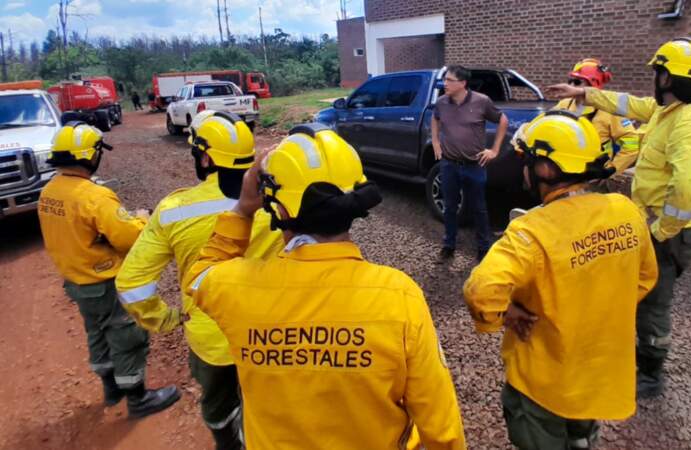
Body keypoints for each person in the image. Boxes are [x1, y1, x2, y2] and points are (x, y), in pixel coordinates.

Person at [185, 124, 466, 450]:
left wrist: (243, 210)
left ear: (279, 209)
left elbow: (199, 275)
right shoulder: (399, 296)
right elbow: (441, 424)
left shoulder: (238, 286)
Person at [463, 110, 658, 450]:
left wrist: (505, 314)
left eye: (527, 160)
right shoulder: (626, 211)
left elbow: (481, 291)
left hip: (544, 381)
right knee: (581, 435)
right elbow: (644, 280)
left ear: (546, 169)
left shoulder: (532, 231)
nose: (521, 169)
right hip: (597, 371)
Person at [546, 37, 691, 397]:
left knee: (653, 302)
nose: (654, 79)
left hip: (672, 230)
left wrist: (659, 231)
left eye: (657, 72)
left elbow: (687, 190)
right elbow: (630, 103)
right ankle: (639, 358)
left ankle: (650, 374)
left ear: (667, 77)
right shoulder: (673, 108)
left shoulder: (687, 123)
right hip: (662, 224)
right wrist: (583, 94)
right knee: (640, 292)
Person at [115, 111, 283, 449]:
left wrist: (166, 319)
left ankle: (226, 442)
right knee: (272, 408)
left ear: (205, 157)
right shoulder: (278, 200)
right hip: (274, 336)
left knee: (219, 406)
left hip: (212, 339)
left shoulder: (174, 210)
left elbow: (131, 284)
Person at [37, 122, 180, 418]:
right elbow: (129, 238)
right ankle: (138, 399)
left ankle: (111, 387)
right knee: (127, 335)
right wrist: (141, 218)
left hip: (76, 280)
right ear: (90, 156)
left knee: (96, 331)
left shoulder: (49, 192)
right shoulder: (94, 196)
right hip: (104, 281)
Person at [432, 65, 509, 261]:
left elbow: (503, 120)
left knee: (479, 208)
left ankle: (483, 248)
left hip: (474, 165)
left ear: (463, 83)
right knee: (450, 207)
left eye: (449, 80)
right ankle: (448, 245)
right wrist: (435, 141)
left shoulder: (482, 101)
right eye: (445, 80)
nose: (444, 84)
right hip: (449, 164)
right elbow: (435, 118)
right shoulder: (441, 102)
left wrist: (495, 150)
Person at [553, 58, 640, 177]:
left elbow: (631, 143)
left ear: (593, 85)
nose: (571, 86)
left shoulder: (609, 111)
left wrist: (612, 168)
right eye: (570, 81)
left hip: (594, 173)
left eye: (577, 82)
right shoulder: (564, 104)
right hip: (564, 168)